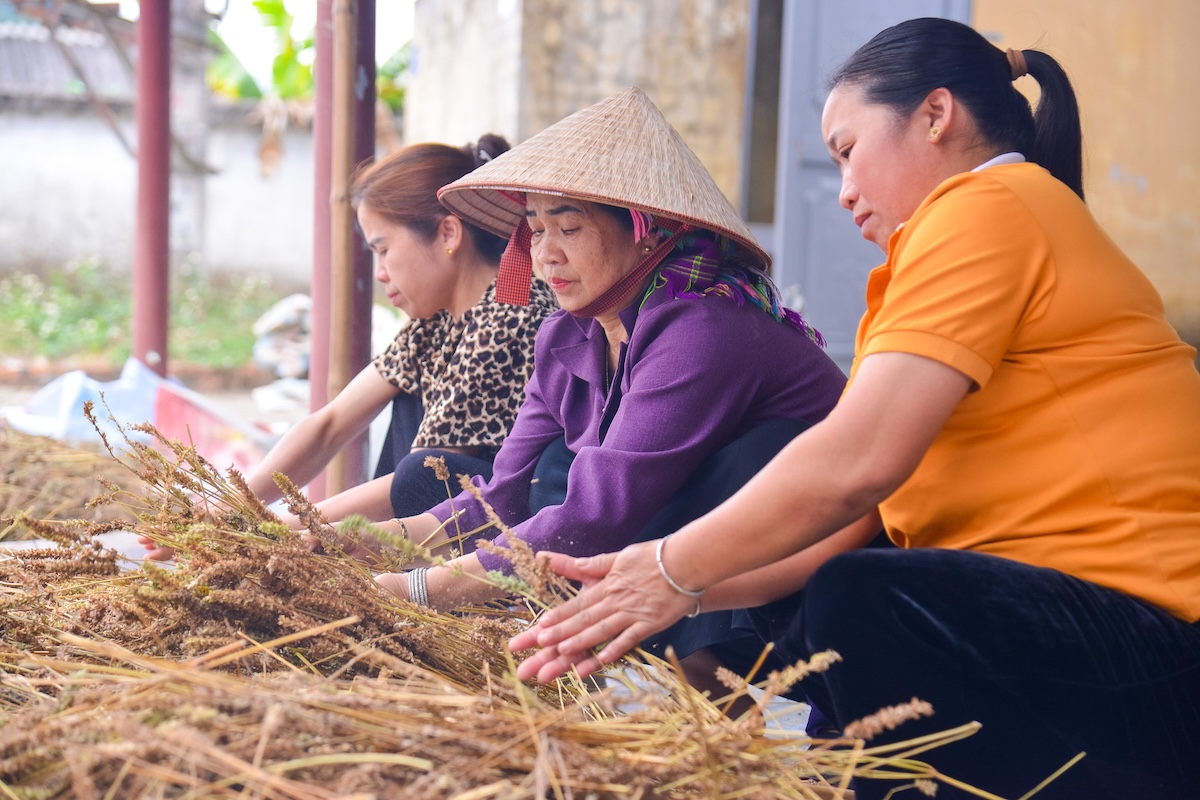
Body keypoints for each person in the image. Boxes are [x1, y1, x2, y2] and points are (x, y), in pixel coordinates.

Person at [509, 18, 1200, 800]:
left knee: (860, 598)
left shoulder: (987, 209)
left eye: (847, 150)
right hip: (1075, 635)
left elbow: (858, 463)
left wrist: (669, 566)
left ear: (935, 115)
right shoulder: (967, 234)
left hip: (1152, 644)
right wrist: (678, 594)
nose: (841, 190)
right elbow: (852, 518)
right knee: (817, 586)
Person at [351, 87, 868, 695]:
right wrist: (352, 543)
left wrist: (415, 589)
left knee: (639, 489)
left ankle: (719, 709)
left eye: (569, 227)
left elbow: (596, 515)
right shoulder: (566, 337)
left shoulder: (701, 328)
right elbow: (500, 499)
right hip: (698, 567)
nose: (546, 255)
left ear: (645, 233)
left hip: (814, 573)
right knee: (545, 474)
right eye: (535, 230)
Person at [140, 136, 557, 560]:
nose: (379, 272)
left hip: (506, 536)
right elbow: (330, 424)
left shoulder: (510, 315)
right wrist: (230, 507)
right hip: (432, 522)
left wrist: (268, 529)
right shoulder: (436, 320)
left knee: (423, 472)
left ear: (448, 233)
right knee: (405, 409)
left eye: (383, 250)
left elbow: (427, 481)